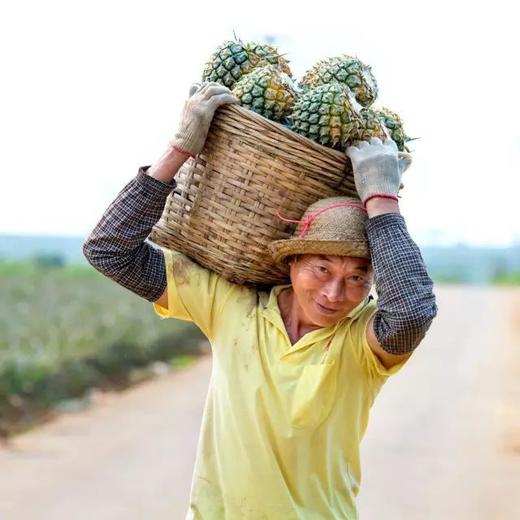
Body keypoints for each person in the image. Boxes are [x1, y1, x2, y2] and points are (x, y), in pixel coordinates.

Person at [83, 81, 438, 519]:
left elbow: (412, 312)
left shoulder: (359, 344)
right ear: (290, 263)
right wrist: (179, 151)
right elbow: (109, 250)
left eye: (356, 277)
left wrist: (382, 200)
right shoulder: (232, 306)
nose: (333, 293)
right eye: (321, 269)